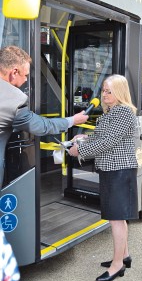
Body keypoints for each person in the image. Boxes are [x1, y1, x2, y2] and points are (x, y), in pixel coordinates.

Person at [69, 74, 138, 281]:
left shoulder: (124, 112)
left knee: (117, 219)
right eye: (104, 91)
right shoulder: (113, 112)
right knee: (117, 217)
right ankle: (124, 256)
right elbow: (103, 137)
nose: (104, 95)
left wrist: (79, 151)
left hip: (119, 171)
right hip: (112, 170)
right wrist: (84, 138)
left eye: (109, 91)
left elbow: (108, 141)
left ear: (119, 92)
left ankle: (117, 266)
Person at [0, 45, 88, 188]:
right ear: (14, 72)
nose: (26, 81)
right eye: (26, 75)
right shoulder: (14, 99)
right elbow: (42, 126)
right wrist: (73, 120)